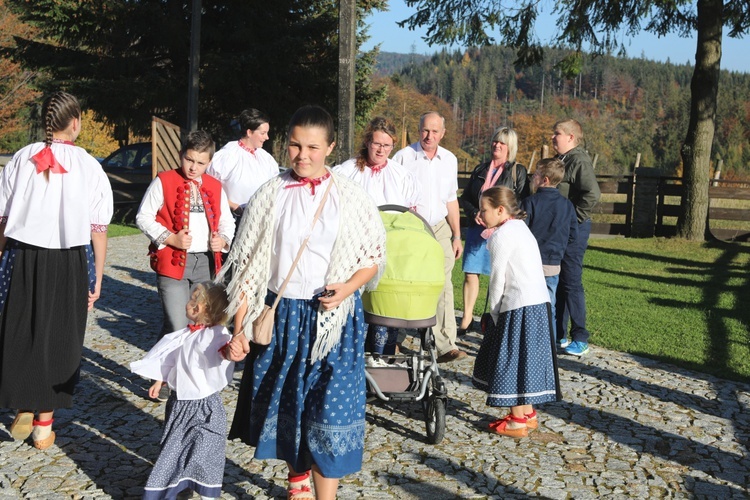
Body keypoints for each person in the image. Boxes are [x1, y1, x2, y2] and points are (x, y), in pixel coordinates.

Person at [220, 105, 386, 500]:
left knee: (330, 412)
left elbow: (372, 258)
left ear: (330, 147)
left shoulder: (350, 196)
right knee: (293, 407)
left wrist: (346, 289)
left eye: (313, 146)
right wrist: (241, 329)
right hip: (284, 317)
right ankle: (298, 484)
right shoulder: (269, 195)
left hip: (335, 321)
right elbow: (248, 272)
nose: (302, 155)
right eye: (295, 145)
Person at [0, 91, 113, 450]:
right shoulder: (89, 165)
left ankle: (22, 402)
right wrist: (97, 274)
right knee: (61, 335)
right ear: (76, 122)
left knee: (19, 325)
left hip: (22, 254)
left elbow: (2, 217)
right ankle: (43, 424)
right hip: (68, 258)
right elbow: (99, 227)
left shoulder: (21, 157)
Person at [136, 130, 235, 400]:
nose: (193, 167)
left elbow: (227, 222)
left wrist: (223, 240)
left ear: (209, 162)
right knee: (178, 322)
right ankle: (166, 378)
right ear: (182, 155)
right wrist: (170, 238)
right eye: (189, 160)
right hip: (172, 263)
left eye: (200, 163)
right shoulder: (164, 181)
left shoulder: (215, 186)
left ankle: (171, 375)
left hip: (205, 263)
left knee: (198, 322)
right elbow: (143, 217)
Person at [130, 282, 234, 500]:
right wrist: (160, 379)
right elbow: (169, 357)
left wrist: (230, 352)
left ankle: (206, 490)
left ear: (198, 309)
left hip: (206, 403)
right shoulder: (184, 334)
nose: (187, 304)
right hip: (179, 403)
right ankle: (173, 486)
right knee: (175, 446)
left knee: (206, 446)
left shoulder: (218, 334)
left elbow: (224, 352)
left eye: (191, 300)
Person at [472, 186, 560, 438]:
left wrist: (495, 313)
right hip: (538, 302)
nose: (481, 214)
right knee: (525, 360)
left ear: (500, 210)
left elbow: (498, 278)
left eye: (484, 209)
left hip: (517, 303)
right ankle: (528, 413)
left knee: (510, 360)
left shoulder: (501, 236)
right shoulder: (520, 228)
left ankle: (517, 421)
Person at [334, 116, 420, 359]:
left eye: (387, 145)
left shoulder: (401, 176)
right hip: (352, 249)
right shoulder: (347, 171)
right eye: (376, 144)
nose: (381, 150)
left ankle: (382, 358)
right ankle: (350, 357)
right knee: (353, 303)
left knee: (383, 305)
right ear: (367, 142)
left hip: (389, 248)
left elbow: (410, 215)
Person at [392, 111, 466, 363]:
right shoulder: (403, 157)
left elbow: (451, 199)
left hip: (441, 227)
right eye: (425, 130)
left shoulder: (449, 159)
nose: (429, 136)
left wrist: (457, 235)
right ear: (418, 130)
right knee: (406, 281)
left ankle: (445, 344)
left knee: (443, 283)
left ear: (443, 133)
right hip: (412, 228)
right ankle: (396, 339)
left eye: (435, 131)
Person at [458, 126, 529, 336]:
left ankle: (495, 320)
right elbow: (466, 198)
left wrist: (501, 221)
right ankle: (467, 318)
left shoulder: (518, 172)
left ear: (510, 147)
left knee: (499, 276)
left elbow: (521, 203)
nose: (496, 146)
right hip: (477, 230)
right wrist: (474, 214)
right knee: (471, 274)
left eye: (502, 143)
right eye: (495, 141)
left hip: (501, 232)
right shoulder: (480, 170)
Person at [551, 119, 601, 356]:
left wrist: (574, 219)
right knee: (560, 281)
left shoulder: (578, 160)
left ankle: (580, 337)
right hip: (561, 230)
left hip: (574, 230)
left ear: (570, 137)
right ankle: (559, 335)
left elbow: (592, 193)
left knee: (571, 282)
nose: (553, 137)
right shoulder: (563, 160)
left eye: (557, 134)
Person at [521, 158, 578, 349]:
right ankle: (549, 346)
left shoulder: (530, 202)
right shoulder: (567, 205)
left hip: (531, 263)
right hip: (553, 263)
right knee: (549, 305)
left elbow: (521, 231)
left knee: (528, 304)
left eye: (535, 175)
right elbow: (573, 234)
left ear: (544, 179)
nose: (533, 178)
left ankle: (528, 342)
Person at [207, 108, 279, 221]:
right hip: (233, 221)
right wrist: (234, 206)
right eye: (263, 133)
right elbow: (208, 188)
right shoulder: (227, 155)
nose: (267, 137)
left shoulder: (267, 159)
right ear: (249, 132)